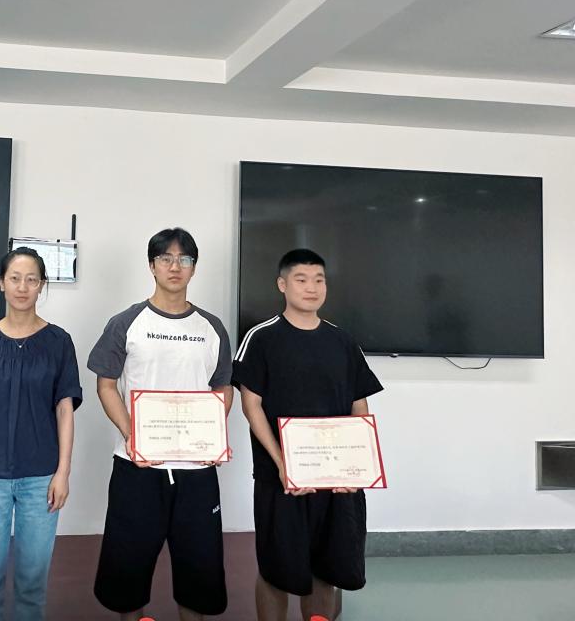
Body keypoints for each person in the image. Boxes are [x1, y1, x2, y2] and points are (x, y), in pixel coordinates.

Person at [89, 227, 233, 621]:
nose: (175, 266)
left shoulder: (212, 327)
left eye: (184, 259)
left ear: (194, 268)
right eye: (165, 258)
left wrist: (213, 434)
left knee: (199, 569)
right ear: (152, 266)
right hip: (138, 467)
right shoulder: (126, 322)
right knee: (128, 566)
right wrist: (131, 434)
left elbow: (223, 387)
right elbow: (105, 385)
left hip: (197, 471)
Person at [232, 248, 384, 621]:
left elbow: (359, 406)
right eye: (301, 279)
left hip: (336, 480)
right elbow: (251, 406)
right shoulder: (261, 337)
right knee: (277, 569)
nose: (311, 287)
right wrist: (282, 463)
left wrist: (357, 467)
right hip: (281, 478)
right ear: (282, 285)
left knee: (328, 570)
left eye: (319, 280)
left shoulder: (343, 341)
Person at [0, 246, 83, 621]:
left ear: (42, 285)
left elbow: (65, 409)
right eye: (15, 278)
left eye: (31, 279)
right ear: (1, 283)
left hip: (41, 476)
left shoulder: (58, 342)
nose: (23, 287)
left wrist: (63, 472)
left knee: (32, 580)